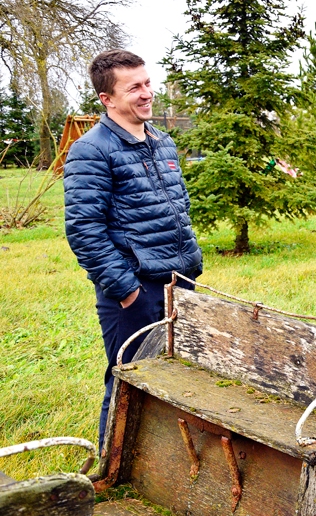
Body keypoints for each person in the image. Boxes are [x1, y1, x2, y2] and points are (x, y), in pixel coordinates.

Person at [64, 49, 203, 449]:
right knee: (128, 384)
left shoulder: (163, 143)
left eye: (147, 83)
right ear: (106, 99)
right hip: (135, 291)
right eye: (133, 88)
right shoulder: (92, 150)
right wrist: (126, 289)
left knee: (179, 380)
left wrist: (189, 265)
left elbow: (177, 209)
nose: (146, 94)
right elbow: (83, 229)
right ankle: (112, 470)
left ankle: (162, 466)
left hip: (179, 283)